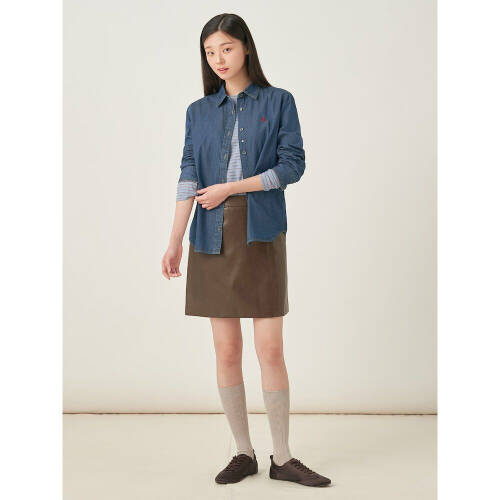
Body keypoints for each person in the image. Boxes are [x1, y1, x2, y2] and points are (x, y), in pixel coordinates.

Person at [161, 13, 331, 488]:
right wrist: (174, 240)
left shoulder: (279, 101)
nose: (218, 59)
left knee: (270, 347)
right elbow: (188, 174)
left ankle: (283, 457)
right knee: (226, 348)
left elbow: (292, 167)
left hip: (261, 231)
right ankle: (243, 452)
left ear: (246, 48)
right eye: (210, 51)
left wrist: (231, 188)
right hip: (209, 234)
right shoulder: (198, 111)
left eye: (227, 48)